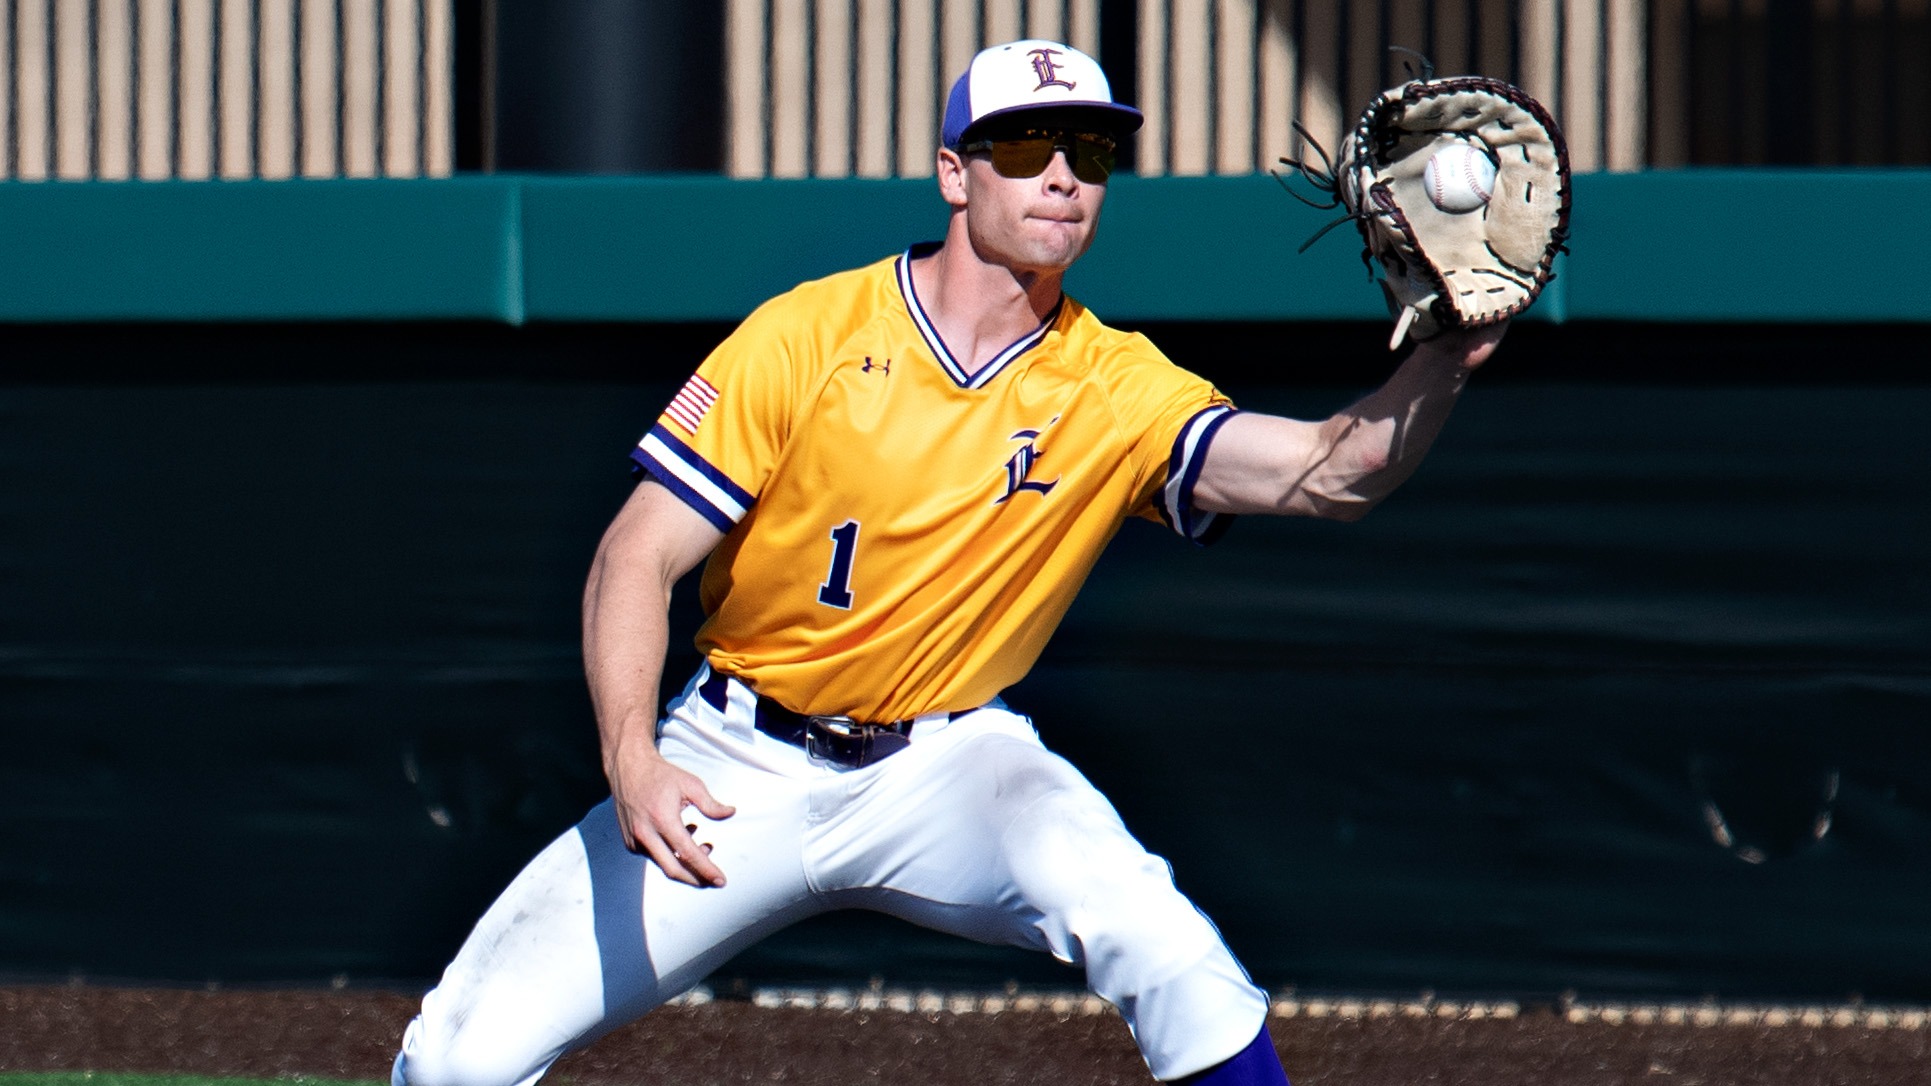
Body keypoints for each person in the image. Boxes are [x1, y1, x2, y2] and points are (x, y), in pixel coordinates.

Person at [392, 39, 1504, 1086]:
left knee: (1164, 946)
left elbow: (1325, 473)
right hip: (737, 762)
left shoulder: (1112, 385)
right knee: (455, 1060)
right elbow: (633, 557)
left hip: (947, 767)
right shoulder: (808, 335)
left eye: (1092, 152)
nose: (1063, 177)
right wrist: (632, 760)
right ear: (952, 175)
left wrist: (1446, 357)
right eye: (1025, 148)